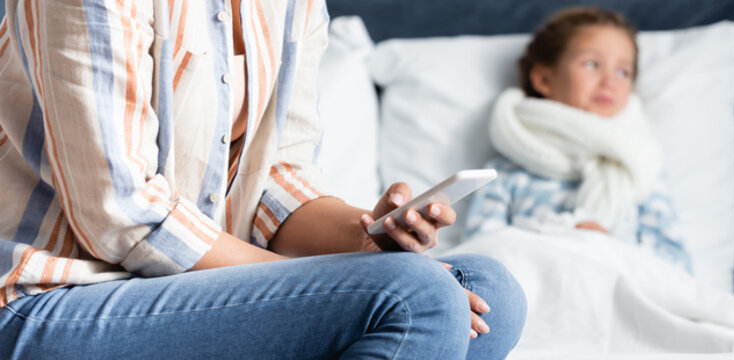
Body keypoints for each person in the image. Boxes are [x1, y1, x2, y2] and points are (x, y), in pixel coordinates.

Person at [0, 0, 525, 358]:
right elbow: (123, 211)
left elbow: (277, 177)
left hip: (174, 293)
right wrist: (325, 287)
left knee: (485, 289)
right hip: (43, 299)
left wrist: (363, 238)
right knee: (416, 297)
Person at [464, 7, 692, 271]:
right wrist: (557, 244)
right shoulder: (504, 173)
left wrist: (608, 248)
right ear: (543, 78)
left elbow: (677, 270)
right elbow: (478, 257)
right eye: (591, 64)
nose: (610, 81)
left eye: (623, 72)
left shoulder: (641, 168)